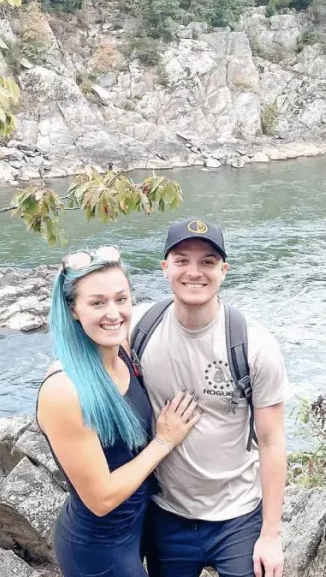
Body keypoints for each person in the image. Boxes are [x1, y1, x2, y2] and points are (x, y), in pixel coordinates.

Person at [131, 219, 289, 577]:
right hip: (167, 515)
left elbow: (272, 441)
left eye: (207, 261)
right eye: (182, 260)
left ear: (223, 270)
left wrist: (271, 534)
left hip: (238, 516)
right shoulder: (139, 329)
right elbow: (89, 350)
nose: (194, 272)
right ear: (165, 268)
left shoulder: (254, 344)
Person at [37, 246, 204, 577]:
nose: (113, 313)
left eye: (121, 299)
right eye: (97, 303)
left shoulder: (122, 351)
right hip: (98, 550)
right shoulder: (64, 391)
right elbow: (101, 498)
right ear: (73, 309)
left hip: (137, 526)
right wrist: (164, 440)